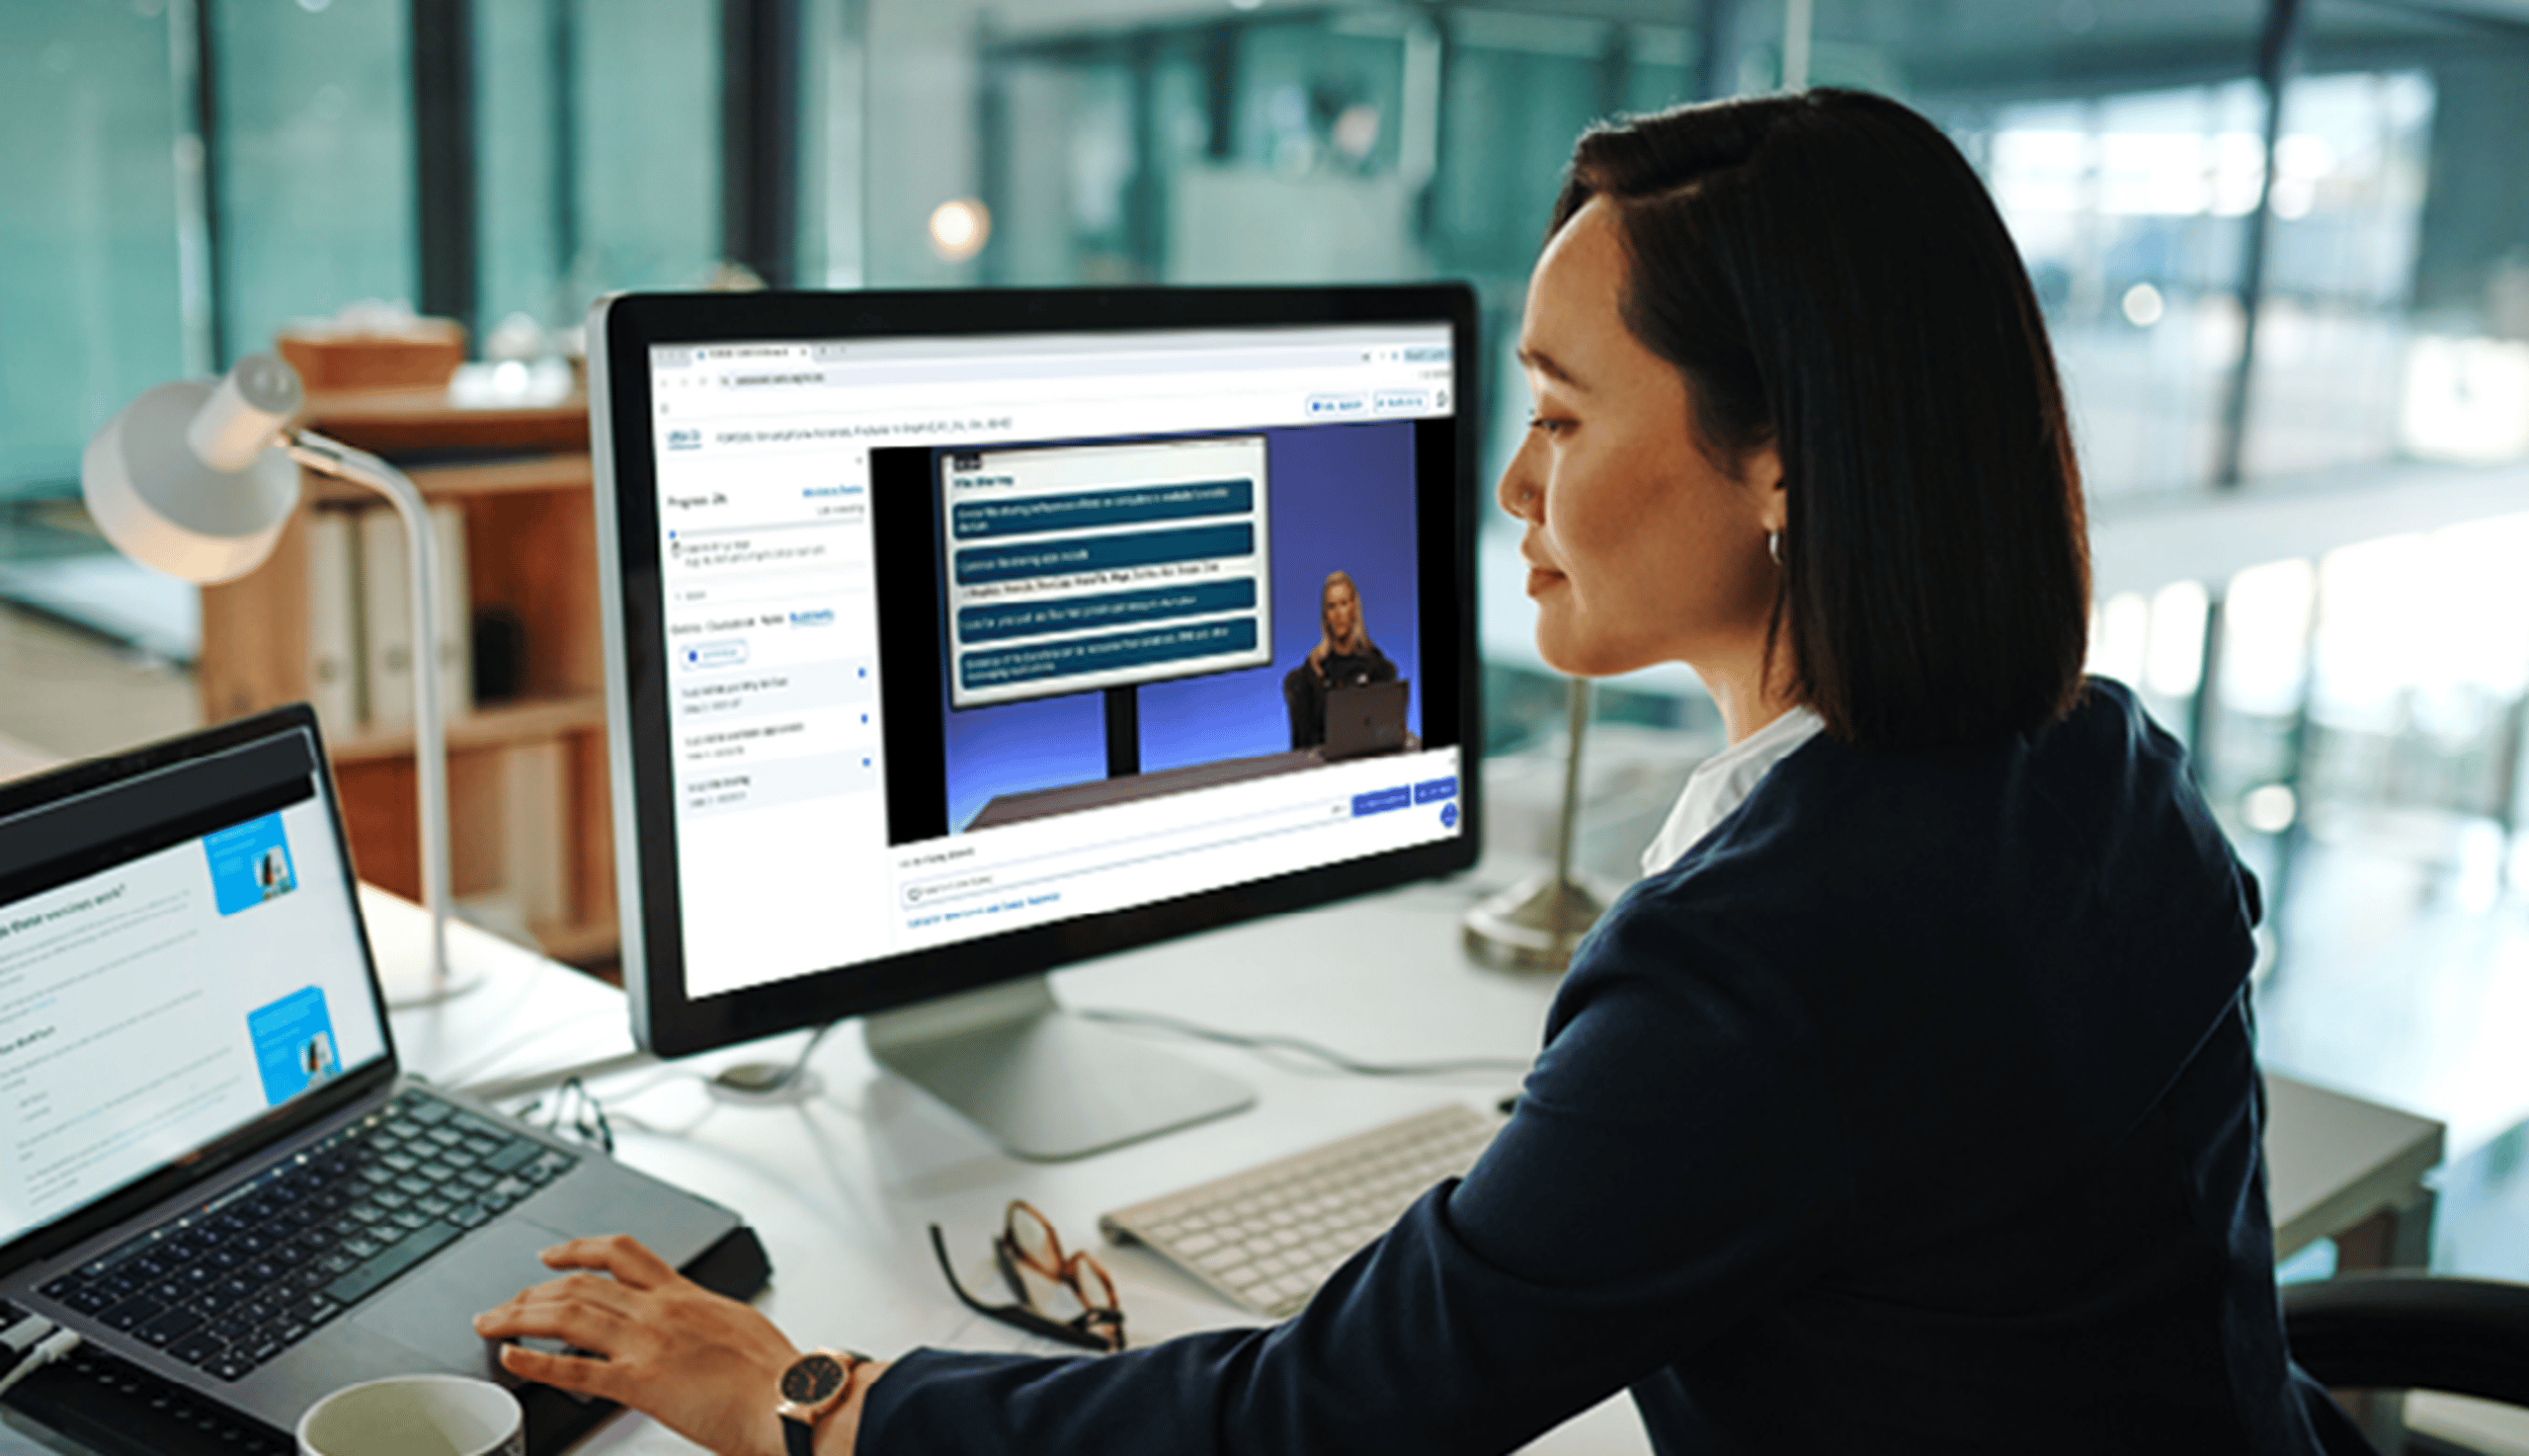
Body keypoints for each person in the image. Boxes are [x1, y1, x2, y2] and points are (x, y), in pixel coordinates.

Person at [473, 89, 2367, 1456]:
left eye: (1558, 413)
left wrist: (803, 1393)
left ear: (1783, 455)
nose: (1514, 490)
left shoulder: (1768, 965)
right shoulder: (2093, 755)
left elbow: (1324, 1414)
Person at [1282, 569, 1398, 751]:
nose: (1338, 614)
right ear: (1325, 615)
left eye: (1344, 603)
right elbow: (1307, 741)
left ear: (1354, 608)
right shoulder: (1313, 670)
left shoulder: (1376, 665)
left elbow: (1385, 733)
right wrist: (1316, 673)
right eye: (1331, 606)